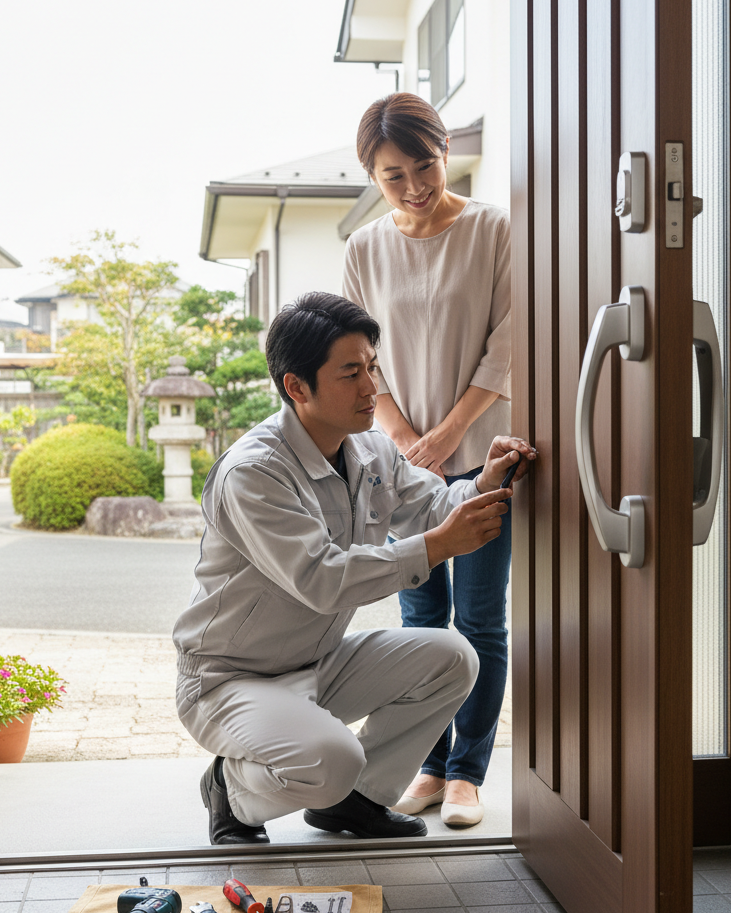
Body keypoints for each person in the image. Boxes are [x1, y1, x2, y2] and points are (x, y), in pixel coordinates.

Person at [173, 292, 534, 845]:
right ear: (297, 387)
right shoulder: (254, 472)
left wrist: (484, 482)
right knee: (331, 760)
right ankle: (231, 789)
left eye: (372, 367)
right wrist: (436, 547)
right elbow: (322, 579)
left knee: (454, 657)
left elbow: (430, 505)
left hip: (317, 662)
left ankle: (356, 803)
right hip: (230, 679)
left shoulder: (369, 448)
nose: (371, 388)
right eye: (350, 373)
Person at [342, 92, 514, 827]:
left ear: (446, 152)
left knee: (478, 618)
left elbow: (509, 342)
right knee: (419, 619)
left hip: (479, 456)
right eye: (393, 175)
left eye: (425, 165)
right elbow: (358, 358)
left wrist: (448, 434)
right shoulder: (364, 249)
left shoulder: (494, 230)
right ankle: (429, 763)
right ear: (372, 177)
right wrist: (408, 437)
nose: (413, 185)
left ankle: (469, 772)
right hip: (397, 462)